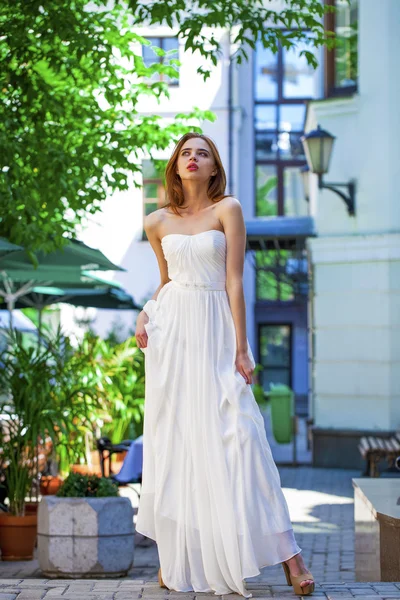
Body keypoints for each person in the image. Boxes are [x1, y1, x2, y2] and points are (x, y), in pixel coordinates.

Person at [134, 132, 314, 597]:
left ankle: (291, 558)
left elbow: (234, 282)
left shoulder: (227, 210)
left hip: (216, 330)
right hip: (172, 338)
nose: (193, 159)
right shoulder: (155, 222)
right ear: (175, 167)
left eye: (203, 154)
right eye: (186, 154)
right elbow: (165, 283)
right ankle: (179, 557)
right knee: (180, 445)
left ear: (215, 168)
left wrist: (241, 347)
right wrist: (145, 312)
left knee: (243, 439)